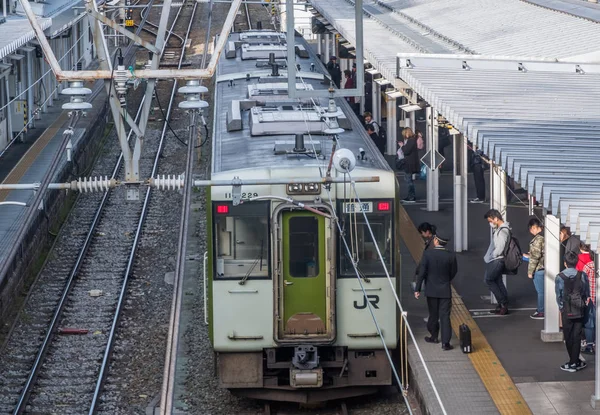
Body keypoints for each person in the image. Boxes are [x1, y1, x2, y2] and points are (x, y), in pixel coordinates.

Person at [414, 233, 458, 351]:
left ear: (436, 241)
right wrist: (445, 280)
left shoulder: (428, 254)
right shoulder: (450, 256)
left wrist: (417, 289)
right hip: (445, 291)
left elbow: (422, 272)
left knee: (433, 314)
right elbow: (454, 271)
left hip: (431, 290)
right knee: (445, 316)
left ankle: (434, 336)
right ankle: (445, 343)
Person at [555, 251, 590, 372]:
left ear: (565, 263)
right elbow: (586, 292)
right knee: (577, 335)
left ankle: (572, 361)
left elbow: (558, 295)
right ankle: (575, 362)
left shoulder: (560, 277)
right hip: (579, 309)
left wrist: (561, 307)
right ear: (576, 263)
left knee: (568, 335)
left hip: (566, 309)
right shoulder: (582, 275)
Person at [484, 209, 511, 315]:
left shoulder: (502, 231)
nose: (490, 223)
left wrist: (492, 255)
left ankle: (503, 303)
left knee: (488, 280)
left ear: (496, 219)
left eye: (490, 221)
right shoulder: (503, 229)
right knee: (498, 281)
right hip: (498, 260)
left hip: (497, 260)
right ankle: (502, 305)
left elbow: (500, 248)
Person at [524, 218, 545, 319]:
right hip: (545, 267)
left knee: (541, 291)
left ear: (534, 227)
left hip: (539, 269)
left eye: (531, 229)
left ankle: (541, 311)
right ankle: (542, 309)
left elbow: (535, 256)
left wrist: (530, 272)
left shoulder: (538, 239)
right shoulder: (545, 236)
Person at [578, 244, 596, 355]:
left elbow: (583, 283)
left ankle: (590, 344)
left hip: (591, 298)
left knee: (590, 323)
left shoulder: (588, 266)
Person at [400, 127, 420, 203]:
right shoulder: (412, 140)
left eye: (405, 134)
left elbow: (406, 151)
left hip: (409, 163)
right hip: (411, 162)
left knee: (409, 180)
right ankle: (410, 196)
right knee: (408, 179)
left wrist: (402, 146)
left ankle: (411, 196)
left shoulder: (411, 141)